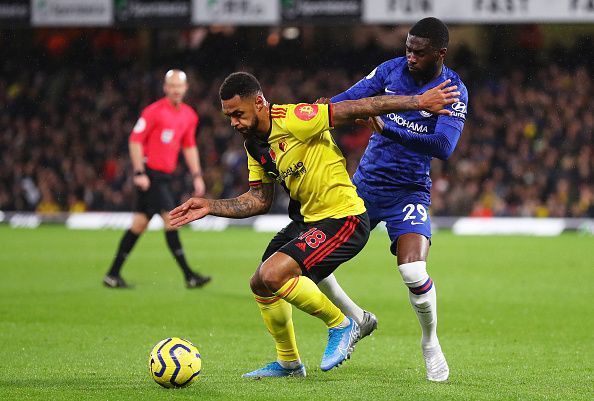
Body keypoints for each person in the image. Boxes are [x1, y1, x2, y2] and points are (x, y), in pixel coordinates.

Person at [169, 71, 459, 378]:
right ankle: (289, 363)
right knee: (260, 283)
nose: (234, 123)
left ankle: (345, 323)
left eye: (238, 114)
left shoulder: (296, 118)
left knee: (274, 274)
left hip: (343, 217)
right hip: (308, 220)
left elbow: (361, 107)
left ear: (259, 102)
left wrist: (417, 101)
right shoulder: (254, 145)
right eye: (229, 117)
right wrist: (210, 206)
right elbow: (259, 200)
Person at [317, 17, 469, 382]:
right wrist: (317, 112)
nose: (410, 57)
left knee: (413, 271)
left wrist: (389, 127)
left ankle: (430, 342)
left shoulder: (453, 90)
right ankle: (357, 318)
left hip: (409, 190)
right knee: (313, 260)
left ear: (440, 54)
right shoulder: (389, 71)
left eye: (419, 52)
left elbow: (443, 146)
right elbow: (345, 100)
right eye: (407, 49)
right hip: (365, 187)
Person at [103, 69, 211, 289]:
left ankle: (112, 275)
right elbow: (135, 141)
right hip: (151, 177)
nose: (175, 90)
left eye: (179, 86)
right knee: (173, 219)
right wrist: (139, 172)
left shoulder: (189, 115)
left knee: (139, 224)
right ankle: (189, 276)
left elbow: (189, 146)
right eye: (171, 85)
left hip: (165, 177)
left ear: (185, 88)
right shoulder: (153, 112)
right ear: (165, 88)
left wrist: (197, 175)